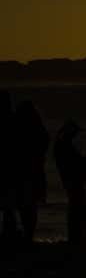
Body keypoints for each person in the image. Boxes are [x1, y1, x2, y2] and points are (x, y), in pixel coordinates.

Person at [54, 119, 86, 244]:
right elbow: (72, 163)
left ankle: (76, 235)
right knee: (77, 207)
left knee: (75, 207)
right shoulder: (65, 145)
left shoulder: (61, 144)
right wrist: (84, 162)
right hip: (73, 180)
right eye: (74, 132)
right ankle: (77, 236)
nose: (75, 135)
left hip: (69, 180)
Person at [15, 101, 50, 244]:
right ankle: (29, 234)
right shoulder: (39, 131)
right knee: (30, 205)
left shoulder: (20, 131)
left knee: (26, 205)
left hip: (27, 172)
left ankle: (28, 234)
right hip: (34, 172)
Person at [0, 91, 18, 241]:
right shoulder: (14, 120)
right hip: (11, 167)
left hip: (8, 167)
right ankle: (9, 230)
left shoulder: (11, 121)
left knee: (7, 203)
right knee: (8, 204)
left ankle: (9, 230)